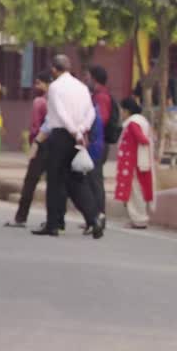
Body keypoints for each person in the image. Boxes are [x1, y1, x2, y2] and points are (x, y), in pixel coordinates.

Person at [32, 54, 103, 238]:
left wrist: (73, 131)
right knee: (76, 180)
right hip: (78, 136)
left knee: (55, 181)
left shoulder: (55, 87)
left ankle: (53, 224)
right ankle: (94, 218)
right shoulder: (81, 87)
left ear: (54, 69)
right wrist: (81, 130)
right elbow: (91, 112)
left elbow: (60, 113)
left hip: (62, 135)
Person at [6, 71, 53, 228]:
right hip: (56, 145)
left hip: (40, 144)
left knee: (30, 182)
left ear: (47, 83)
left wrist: (34, 143)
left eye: (39, 83)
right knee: (55, 184)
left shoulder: (39, 102)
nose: (36, 86)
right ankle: (54, 219)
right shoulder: (57, 101)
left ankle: (21, 217)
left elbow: (35, 126)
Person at [114, 98, 155, 228]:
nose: (121, 113)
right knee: (138, 190)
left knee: (135, 192)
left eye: (122, 110)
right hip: (137, 162)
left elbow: (142, 139)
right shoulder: (141, 120)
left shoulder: (132, 123)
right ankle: (139, 218)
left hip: (132, 163)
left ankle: (139, 219)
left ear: (127, 111)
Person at [85, 65, 113, 232]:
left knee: (95, 180)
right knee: (92, 180)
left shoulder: (101, 97)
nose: (86, 79)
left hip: (97, 144)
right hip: (96, 143)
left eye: (87, 76)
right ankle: (94, 217)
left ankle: (99, 217)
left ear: (94, 78)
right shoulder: (97, 95)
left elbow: (100, 120)